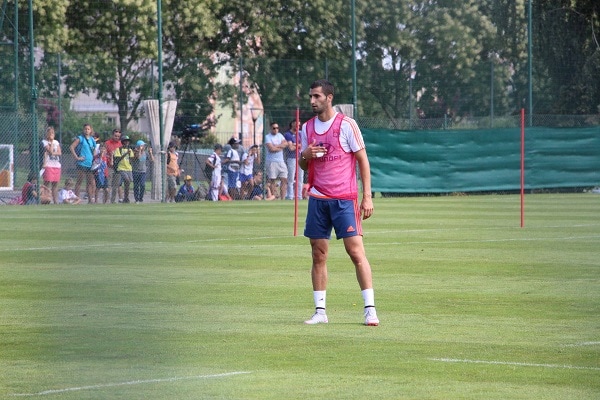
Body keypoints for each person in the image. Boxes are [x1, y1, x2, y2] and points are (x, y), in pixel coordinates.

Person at [299, 79, 379, 326]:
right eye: (310, 97)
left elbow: (363, 161)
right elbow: (304, 165)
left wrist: (367, 196)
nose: (312, 101)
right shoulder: (307, 128)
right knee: (318, 254)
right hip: (318, 199)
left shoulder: (347, 125)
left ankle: (370, 310)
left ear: (329, 97)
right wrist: (305, 155)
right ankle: (320, 312)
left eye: (317, 97)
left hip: (344, 199)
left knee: (356, 252)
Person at [69, 123, 97, 203]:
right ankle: (77, 199)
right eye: (85, 129)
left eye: (88, 129)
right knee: (80, 181)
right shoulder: (80, 138)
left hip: (90, 163)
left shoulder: (92, 139)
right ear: (83, 130)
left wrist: (95, 158)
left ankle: (90, 200)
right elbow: (71, 147)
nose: (87, 130)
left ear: (91, 130)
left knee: (90, 182)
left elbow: (94, 150)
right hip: (82, 163)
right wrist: (77, 157)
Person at [264, 121, 288, 199]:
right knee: (272, 180)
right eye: (274, 128)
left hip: (281, 161)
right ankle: (274, 197)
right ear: (271, 128)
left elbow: (286, 144)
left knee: (284, 179)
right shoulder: (268, 137)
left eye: (277, 128)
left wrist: (276, 146)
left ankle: (283, 198)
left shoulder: (280, 135)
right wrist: (280, 147)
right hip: (271, 161)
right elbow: (271, 149)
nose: (276, 129)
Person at [41, 126, 62, 204]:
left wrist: (54, 151)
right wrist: (52, 142)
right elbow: (49, 151)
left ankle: (56, 201)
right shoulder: (44, 142)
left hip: (56, 165)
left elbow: (59, 153)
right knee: (47, 183)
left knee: (55, 184)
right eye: (49, 133)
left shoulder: (56, 142)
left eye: (52, 133)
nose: (51, 134)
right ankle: (44, 200)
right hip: (48, 165)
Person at [283, 120, 304, 200]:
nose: (298, 126)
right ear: (292, 124)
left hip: (300, 157)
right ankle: (290, 196)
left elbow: (304, 144)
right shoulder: (288, 134)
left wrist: (296, 144)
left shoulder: (301, 133)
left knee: (300, 177)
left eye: (299, 125)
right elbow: (291, 148)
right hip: (291, 158)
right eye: (296, 125)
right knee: (291, 177)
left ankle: (299, 196)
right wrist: (299, 145)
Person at [112, 135, 134, 203]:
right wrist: (126, 154)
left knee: (128, 183)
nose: (127, 143)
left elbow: (131, 160)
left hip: (128, 168)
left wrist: (131, 155)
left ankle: (126, 198)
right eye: (125, 141)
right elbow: (118, 159)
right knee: (126, 180)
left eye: (128, 141)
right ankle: (119, 198)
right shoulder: (119, 149)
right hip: (121, 168)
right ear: (123, 142)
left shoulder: (129, 150)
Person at [105, 129, 123, 203]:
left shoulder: (120, 144)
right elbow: (104, 153)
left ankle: (113, 200)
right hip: (109, 166)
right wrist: (109, 156)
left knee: (116, 185)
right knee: (108, 184)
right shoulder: (107, 143)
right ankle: (107, 199)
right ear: (112, 135)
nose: (117, 137)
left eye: (118, 136)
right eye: (115, 136)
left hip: (118, 167)